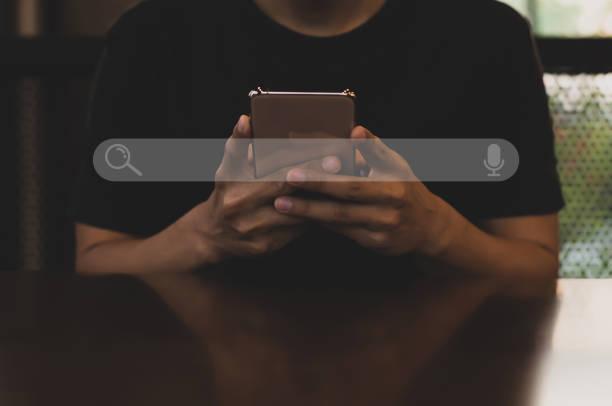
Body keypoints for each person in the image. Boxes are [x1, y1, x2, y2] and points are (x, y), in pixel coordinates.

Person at [74, 0, 564, 279]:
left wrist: (434, 230)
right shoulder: (149, 37)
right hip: (196, 371)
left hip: (438, 374)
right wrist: (206, 235)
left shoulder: (489, 37)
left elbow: (537, 272)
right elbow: (95, 261)